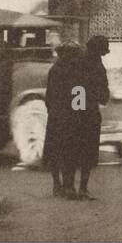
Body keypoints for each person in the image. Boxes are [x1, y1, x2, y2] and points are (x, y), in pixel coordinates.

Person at [43, 42, 85, 198]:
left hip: (55, 117)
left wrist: (53, 111)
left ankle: (57, 185)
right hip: (71, 118)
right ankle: (69, 187)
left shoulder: (54, 70)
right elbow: (79, 96)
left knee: (55, 152)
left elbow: (49, 97)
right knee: (70, 152)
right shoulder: (77, 71)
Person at [74, 35, 111, 199]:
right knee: (87, 153)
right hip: (88, 114)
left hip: (78, 112)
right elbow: (103, 95)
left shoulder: (79, 62)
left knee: (76, 151)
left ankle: (70, 187)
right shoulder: (95, 65)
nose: (102, 55)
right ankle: (82, 188)